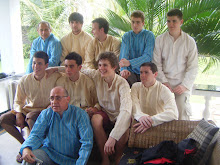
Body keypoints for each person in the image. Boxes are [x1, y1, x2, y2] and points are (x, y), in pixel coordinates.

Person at [0, 51, 61, 163]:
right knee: (3, 119)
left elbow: (68, 69)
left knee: (31, 116)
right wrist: (18, 113)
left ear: (46, 65)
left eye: (39, 63)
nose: (36, 66)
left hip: (47, 110)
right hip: (28, 111)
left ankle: (34, 148)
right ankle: (25, 146)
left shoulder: (54, 77)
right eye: (33, 63)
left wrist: (55, 68)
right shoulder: (25, 80)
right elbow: (18, 101)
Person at [20, 86, 93, 165]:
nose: (54, 102)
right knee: (29, 159)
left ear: (67, 99)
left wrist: (80, 163)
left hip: (71, 160)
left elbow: (86, 142)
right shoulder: (46, 113)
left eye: (58, 98)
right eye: (51, 98)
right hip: (49, 154)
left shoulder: (80, 114)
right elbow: (36, 134)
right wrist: (26, 148)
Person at [82, 52, 132, 165]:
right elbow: (80, 69)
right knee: (95, 119)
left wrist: (112, 138)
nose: (101, 68)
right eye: (99, 65)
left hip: (120, 115)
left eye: (105, 65)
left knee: (125, 123)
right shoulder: (96, 75)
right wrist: (55, 69)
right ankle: (105, 158)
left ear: (114, 67)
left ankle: (118, 157)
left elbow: (126, 111)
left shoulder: (122, 83)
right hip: (106, 112)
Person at [153, 8, 198, 120]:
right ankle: (161, 137)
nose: (171, 24)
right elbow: (156, 64)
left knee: (181, 109)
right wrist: (164, 82)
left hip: (181, 84)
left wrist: (184, 85)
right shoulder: (160, 40)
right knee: (159, 111)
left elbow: (193, 67)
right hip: (163, 83)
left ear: (181, 22)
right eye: (168, 21)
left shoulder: (189, 41)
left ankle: (182, 137)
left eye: (174, 21)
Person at [131, 62, 178, 133]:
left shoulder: (164, 89)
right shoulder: (135, 86)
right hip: (138, 124)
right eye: (141, 72)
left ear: (155, 74)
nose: (142, 75)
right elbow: (134, 105)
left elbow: (173, 113)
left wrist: (152, 120)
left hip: (158, 126)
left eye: (146, 72)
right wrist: (141, 116)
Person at [119, 10, 155, 87]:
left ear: (143, 23)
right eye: (133, 22)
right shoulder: (126, 36)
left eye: (138, 22)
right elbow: (124, 56)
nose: (135, 25)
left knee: (145, 92)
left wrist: (130, 62)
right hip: (130, 71)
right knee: (123, 82)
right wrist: (124, 69)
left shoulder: (149, 35)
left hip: (145, 70)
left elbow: (147, 56)